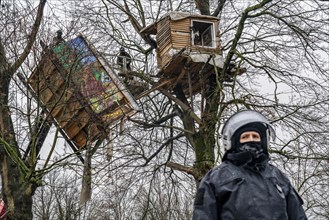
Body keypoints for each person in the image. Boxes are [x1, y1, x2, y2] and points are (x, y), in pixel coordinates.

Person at [193, 109, 307, 220]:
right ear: (234, 141)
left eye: (255, 136)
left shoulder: (278, 177)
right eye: (245, 137)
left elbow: (298, 215)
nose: (251, 140)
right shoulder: (216, 178)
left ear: (263, 141)